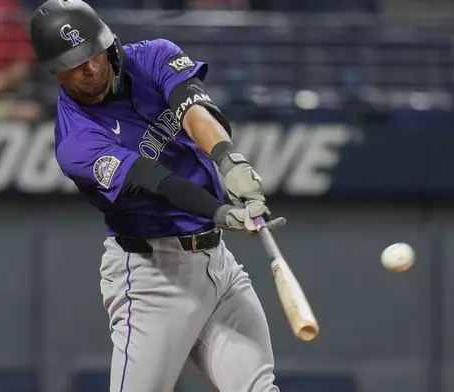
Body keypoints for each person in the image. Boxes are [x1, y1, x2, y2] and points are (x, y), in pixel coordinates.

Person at [28, 0, 286, 391]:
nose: (91, 68)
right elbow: (155, 180)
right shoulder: (76, 142)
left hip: (218, 267)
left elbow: (193, 109)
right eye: (74, 65)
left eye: (94, 54)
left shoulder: (152, 56)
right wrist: (220, 212)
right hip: (153, 277)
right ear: (54, 72)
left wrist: (229, 161)